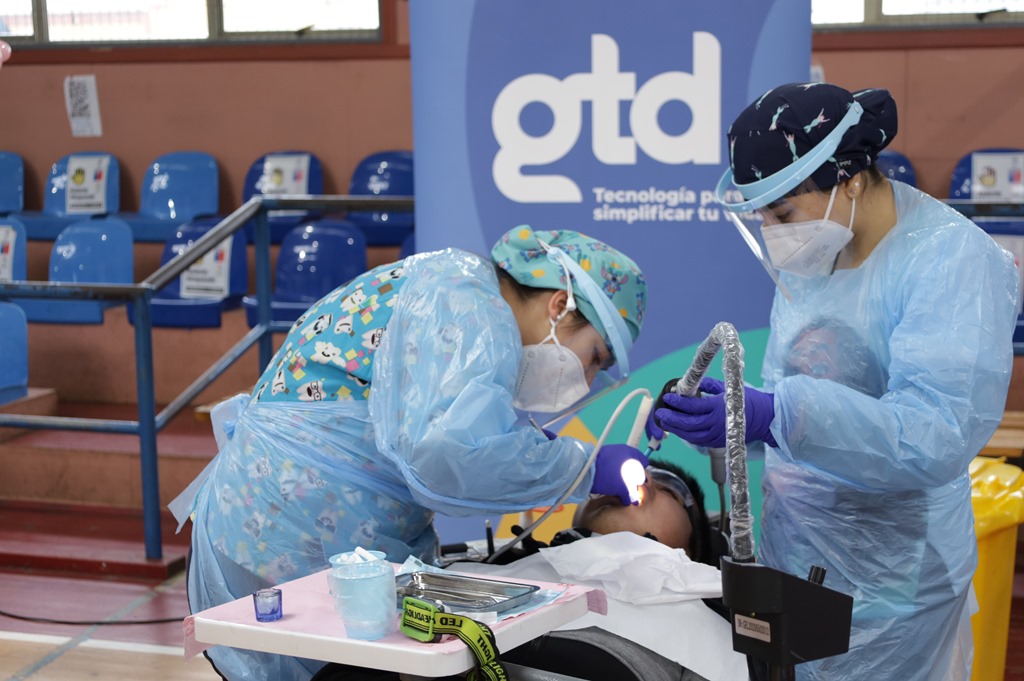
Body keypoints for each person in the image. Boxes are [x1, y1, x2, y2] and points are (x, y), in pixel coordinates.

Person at [651, 82, 1020, 680]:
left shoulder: (952, 260)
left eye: (782, 213)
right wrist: (736, 422)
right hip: (797, 556)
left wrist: (777, 413)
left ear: (847, 179)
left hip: (895, 580)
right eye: (761, 215)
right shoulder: (817, 254)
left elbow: (934, 436)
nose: (773, 231)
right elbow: (792, 405)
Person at [175, 225, 651, 681]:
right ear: (560, 304)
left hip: (273, 518)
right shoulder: (470, 305)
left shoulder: (457, 287)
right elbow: (447, 457)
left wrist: (538, 454)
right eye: (595, 357)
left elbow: (429, 431)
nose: (587, 379)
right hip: (289, 528)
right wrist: (583, 467)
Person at [311, 461, 748, 681]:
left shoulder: (702, 607)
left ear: (690, 549)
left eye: (670, 488)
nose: (643, 482)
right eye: (644, 471)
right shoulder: (519, 568)